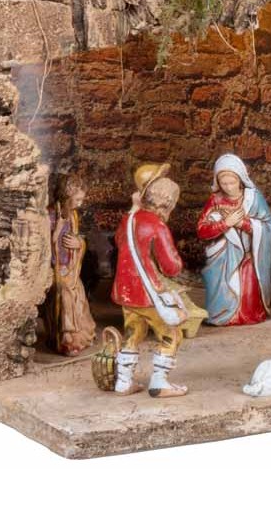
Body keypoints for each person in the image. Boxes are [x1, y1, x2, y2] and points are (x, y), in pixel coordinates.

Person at [110, 163, 205, 398]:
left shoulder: (129, 219)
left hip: (125, 290)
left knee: (133, 332)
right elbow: (171, 266)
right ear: (167, 203)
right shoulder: (157, 225)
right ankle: (159, 382)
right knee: (172, 333)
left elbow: (118, 241)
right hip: (148, 293)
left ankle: (123, 382)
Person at [196, 154, 271, 326]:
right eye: (223, 183)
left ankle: (247, 314)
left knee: (247, 283)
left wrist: (243, 223)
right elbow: (201, 230)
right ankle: (223, 315)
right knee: (219, 282)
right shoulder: (215, 200)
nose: (228, 187)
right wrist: (225, 224)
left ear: (240, 180)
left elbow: (269, 226)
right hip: (222, 257)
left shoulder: (253, 198)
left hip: (247, 255)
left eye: (232, 183)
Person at [46, 173, 96, 355]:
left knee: (79, 293)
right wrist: (58, 228)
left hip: (70, 268)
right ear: (66, 197)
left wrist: (79, 244)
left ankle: (80, 335)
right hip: (53, 269)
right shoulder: (49, 215)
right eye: (77, 200)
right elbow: (45, 245)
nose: (80, 204)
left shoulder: (73, 215)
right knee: (65, 295)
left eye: (82, 199)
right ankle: (66, 338)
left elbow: (76, 239)